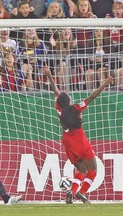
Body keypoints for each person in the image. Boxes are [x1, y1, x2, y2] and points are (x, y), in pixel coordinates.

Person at [43, 66, 113, 204]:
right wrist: (105, 84)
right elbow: (92, 96)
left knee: (80, 169)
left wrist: (49, 76)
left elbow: (56, 92)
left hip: (69, 145)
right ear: (69, 100)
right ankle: (82, 192)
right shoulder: (76, 108)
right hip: (80, 142)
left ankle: (72, 191)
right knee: (93, 170)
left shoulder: (59, 110)